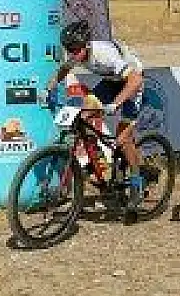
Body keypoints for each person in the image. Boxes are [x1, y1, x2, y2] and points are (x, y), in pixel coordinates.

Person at [46, 20, 150, 209]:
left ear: (86, 45)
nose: (72, 54)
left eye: (75, 50)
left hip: (133, 82)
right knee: (81, 117)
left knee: (123, 138)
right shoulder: (76, 53)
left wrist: (116, 103)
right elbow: (64, 69)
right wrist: (49, 88)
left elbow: (135, 80)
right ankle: (97, 161)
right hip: (111, 81)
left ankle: (137, 182)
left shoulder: (104, 55)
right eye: (69, 50)